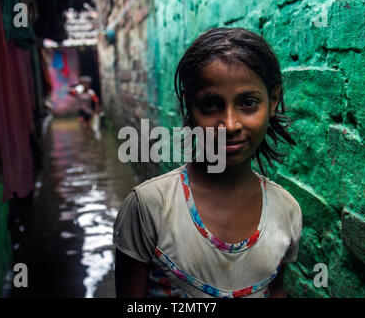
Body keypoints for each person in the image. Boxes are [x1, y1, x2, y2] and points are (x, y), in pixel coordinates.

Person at [113, 28, 302, 298]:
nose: (229, 124)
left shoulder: (287, 211)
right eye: (211, 104)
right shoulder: (149, 207)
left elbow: (277, 291)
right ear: (190, 106)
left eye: (248, 103)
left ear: (272, 101)